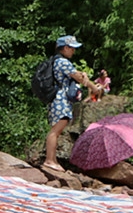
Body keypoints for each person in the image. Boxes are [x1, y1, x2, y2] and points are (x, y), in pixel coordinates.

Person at [43, 35, 100, 171]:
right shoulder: (63, 62)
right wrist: (94, 88)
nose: (73, 51)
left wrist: (84, 75)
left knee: (56, 131)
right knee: (55, 131)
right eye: (71, 48)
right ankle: (49, 160)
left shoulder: (58, 61)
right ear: (65, 48)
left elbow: (78, 74)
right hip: (60, 101)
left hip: (57, 100)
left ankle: (53, 160)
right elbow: (78, 77)